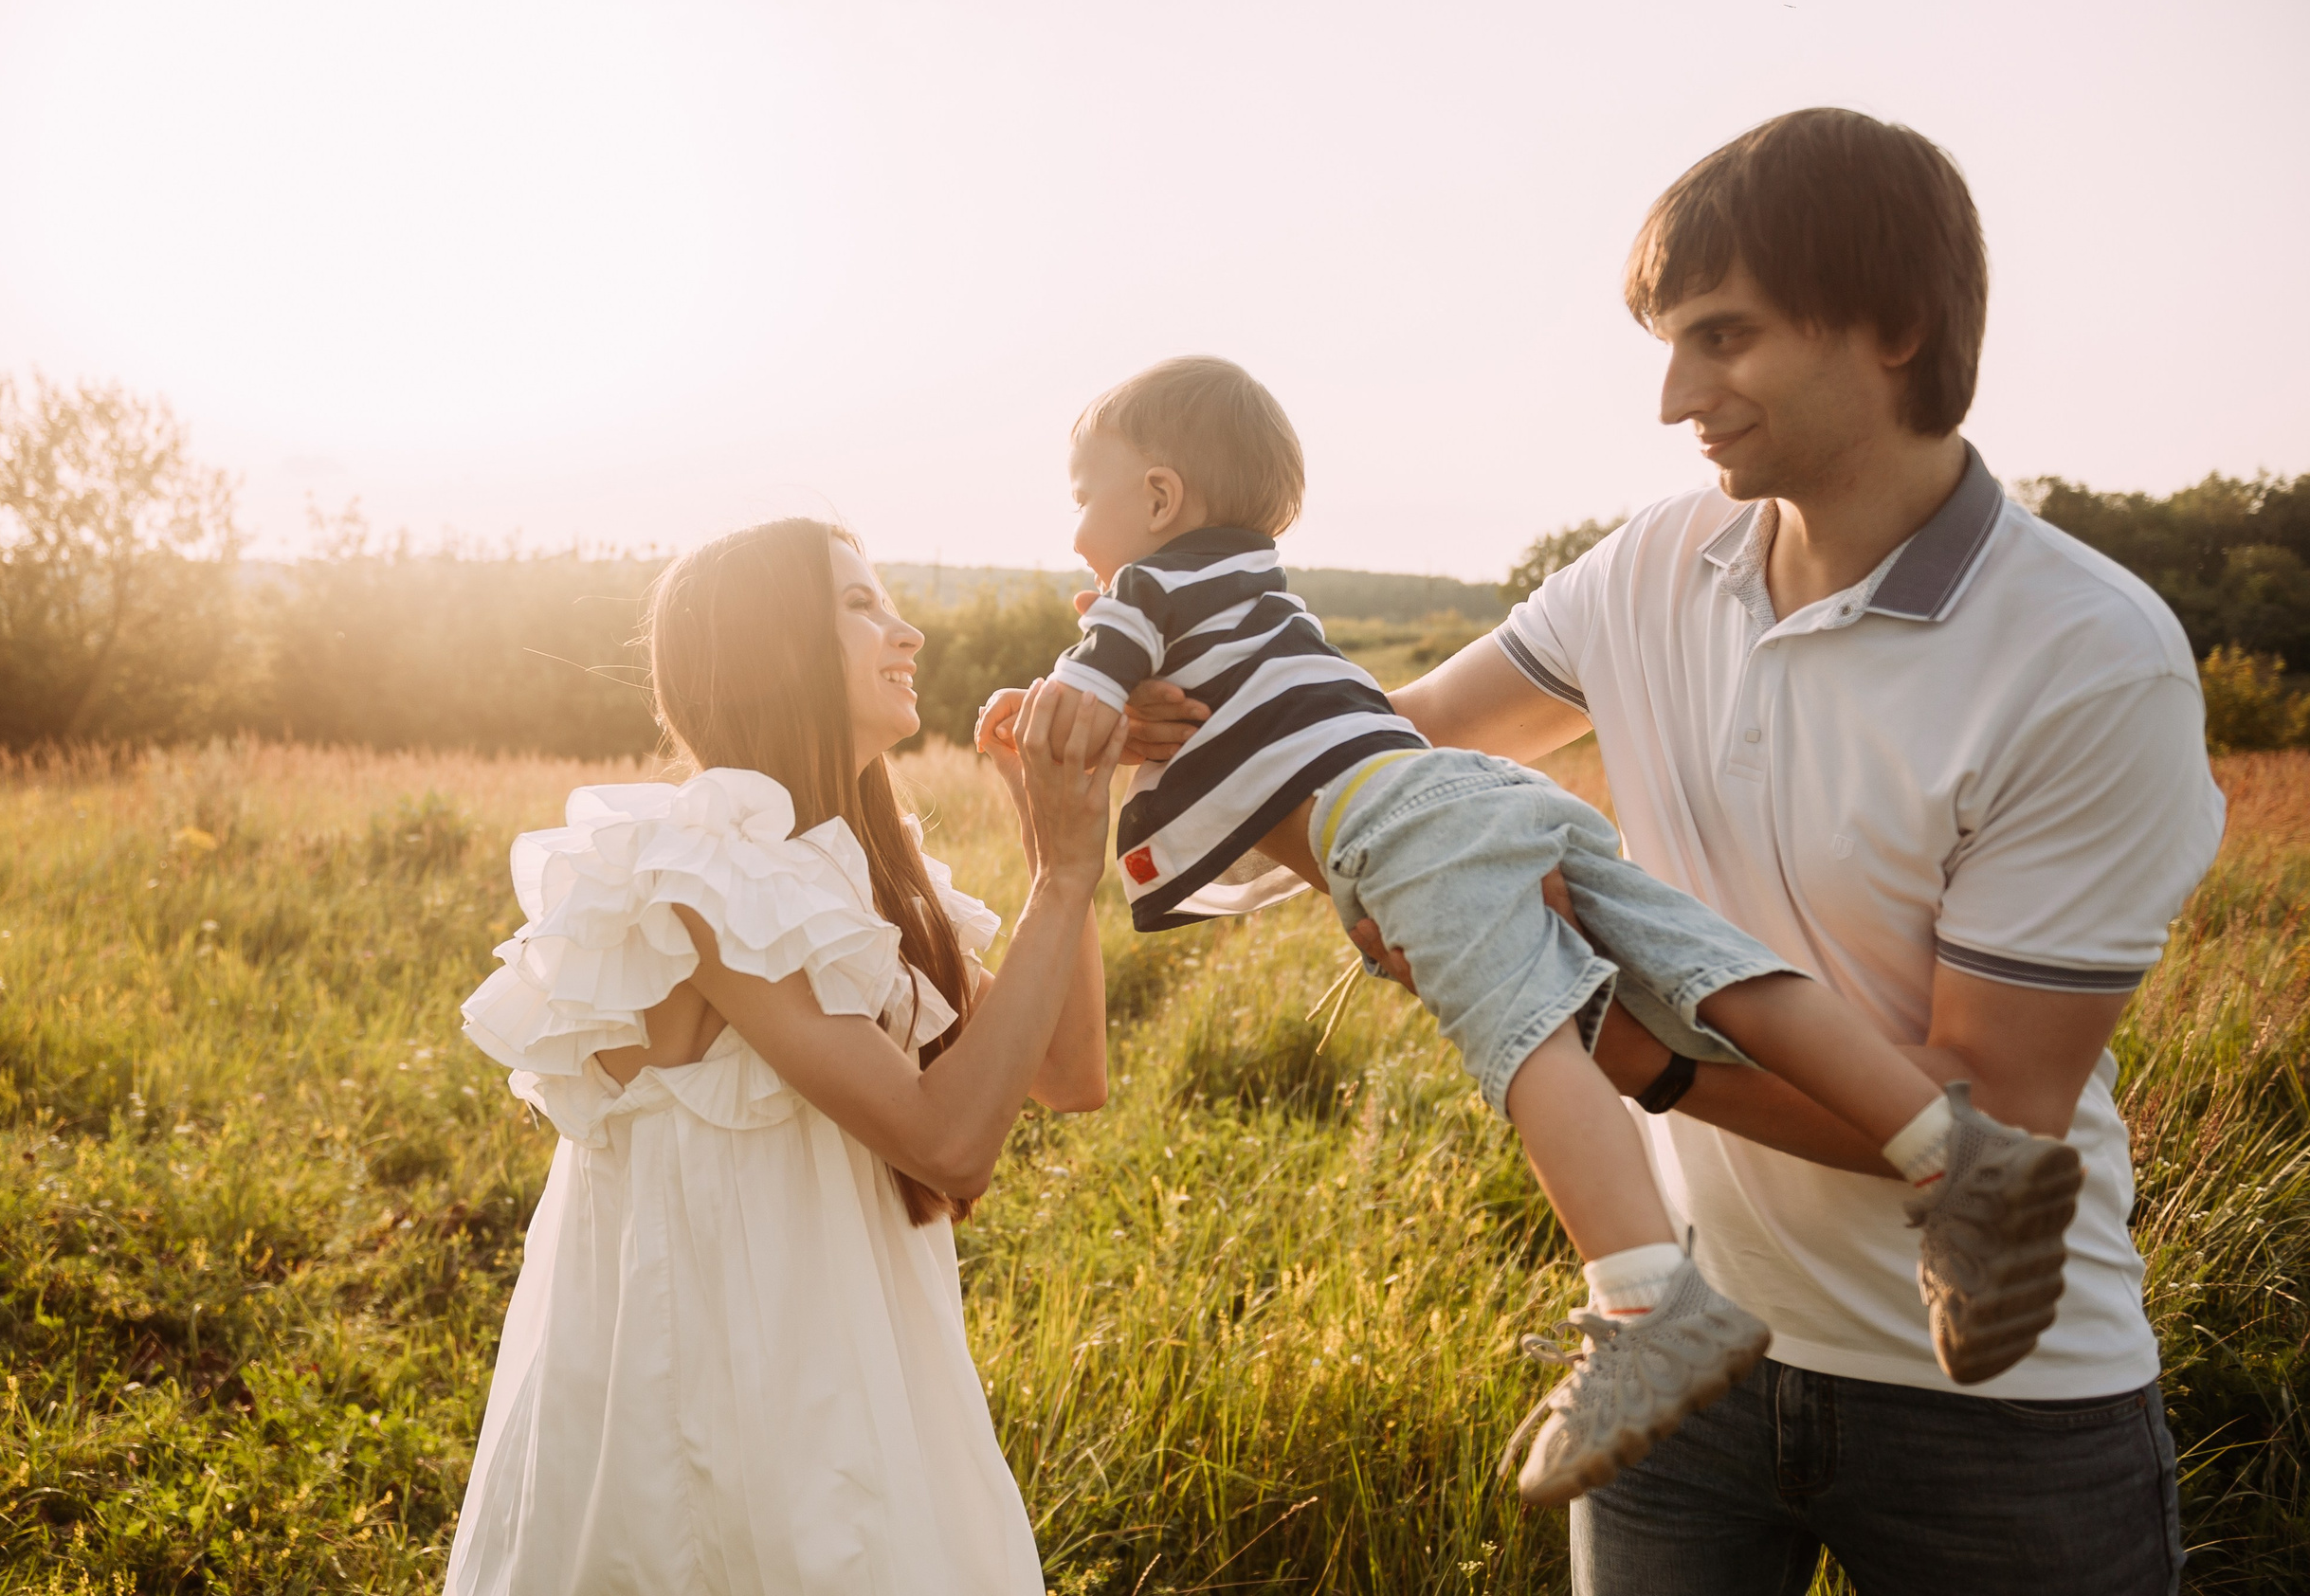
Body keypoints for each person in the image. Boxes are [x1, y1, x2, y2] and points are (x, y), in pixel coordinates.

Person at [1119, 111, 2217, 1592]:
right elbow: (1403, 737)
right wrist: (1194, 711)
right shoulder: (1653, 560)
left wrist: (1615, 1047)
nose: (1673, 397)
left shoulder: (2089, 658)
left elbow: (1992, 1114)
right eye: (1669, 341)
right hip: (1691, 1380)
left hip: (1996, 1411)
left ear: (1895, 328)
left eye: (1724, 337)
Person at [979, 355, 2086, 1508]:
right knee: (1709, 966)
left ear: (1159, 498)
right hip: (1472, 788)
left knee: (1524, 1031)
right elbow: (1275, 719)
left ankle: (1645, 1304)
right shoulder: (1254, 582)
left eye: (1082, 497)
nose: (1073, 532)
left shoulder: (1140, 589)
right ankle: (1959, 1158)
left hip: (1392, 826)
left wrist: (1039, 706)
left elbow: (1083, 699)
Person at [442, 517, 1123, 1594]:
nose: (907, 632)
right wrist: (1065, 877)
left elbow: (1070, 1074)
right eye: (858, 604)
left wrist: (1053, 839)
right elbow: (950, 1145)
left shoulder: (860, 881)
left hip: (847, 1358)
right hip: (725, 1387)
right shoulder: (701, 873)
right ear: (773, 649)